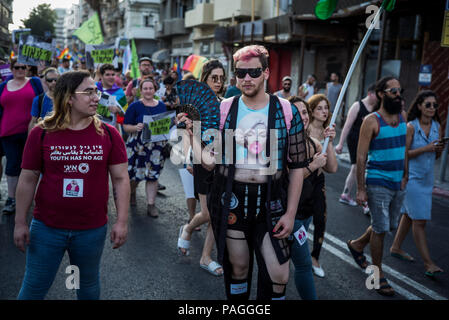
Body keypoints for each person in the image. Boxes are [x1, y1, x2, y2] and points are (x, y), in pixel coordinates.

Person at [178, 45, 307, 300]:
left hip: (272, 201)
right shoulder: (224, 110)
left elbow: (298, 166)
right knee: (238, 268)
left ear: (266, 72)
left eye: (254, 72)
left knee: (279, 274)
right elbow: (210, 163)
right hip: (232, 200)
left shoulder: (286, 110)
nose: (247, 79)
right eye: (240, 73)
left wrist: (291, 214)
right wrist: (191, 135)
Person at [13, 70, 129, 300]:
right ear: (68, 98)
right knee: (34, 287)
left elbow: (120, 179)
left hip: (91, 229)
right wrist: (19, 222)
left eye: (96, 91)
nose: (96, 97)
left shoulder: (109, 133)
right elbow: (27, 179)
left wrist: (122, 222)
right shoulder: (41, 133)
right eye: (88, 92)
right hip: (47, 228)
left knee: (86, 285)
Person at [347, 76, 408, 297]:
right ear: (381, 94)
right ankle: (377, 275)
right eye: (393, 91)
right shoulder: (371, 120)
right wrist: (361, 188)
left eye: (399, 90)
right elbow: (361, 157)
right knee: (381, 229)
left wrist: (405, 176)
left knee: (386, 225)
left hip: (397, 182)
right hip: (377, 181)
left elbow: (405, 149)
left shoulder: (403, 116)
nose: (398, 94)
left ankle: (356, 245)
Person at [177, 59, 226, 277]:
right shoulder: (194, 106)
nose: (218, 81)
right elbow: (186, 135)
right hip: (201, 161)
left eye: (221, 78)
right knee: (207, 212)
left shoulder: (224, 103)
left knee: (218, 211)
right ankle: (188, 228)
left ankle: (206, 257)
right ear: (205, 78)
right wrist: (188, 159)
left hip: (223, 160)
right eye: (214, 77)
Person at [389, 90, 445, 278]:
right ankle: (429, 263)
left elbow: (435, 155)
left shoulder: (437, 126)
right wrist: (427, 148)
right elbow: (404, 154)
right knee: (419, 221)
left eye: (434, 105)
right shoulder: (411, 126)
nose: (431, 108)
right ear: (419, 106)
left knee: (409, 215)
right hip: (411, 178)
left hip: (427, 179)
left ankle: (396, 247)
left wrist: (438, 150)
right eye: (428, 104)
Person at [288, 96, 337, 299]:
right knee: (304, 264)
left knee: (287, 261)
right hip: (291, 214)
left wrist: (329, 142)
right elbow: (287, 180)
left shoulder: (313, 142)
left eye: (305, 112)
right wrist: (312, 167)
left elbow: (332, 167)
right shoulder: (285, 143)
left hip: (307, 210)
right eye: (298, 112)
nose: (304, 116)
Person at [0, 58, 44, 214]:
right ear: (11, 69)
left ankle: (31, 198)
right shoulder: (3, 86)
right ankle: (12, 199)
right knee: (12, 165)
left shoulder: (35, 82)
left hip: (31, 131)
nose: (20, 70)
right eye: (17, 67)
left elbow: (43, 100)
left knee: (31, 165)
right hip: (8, 132)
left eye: (23, 67)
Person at [123, 78, 167, 217]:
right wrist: (135, 127)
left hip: (155, 147)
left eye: (151, 88)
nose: (148, 91)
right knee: (134, 175)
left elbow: (165, 125)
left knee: (152, 176)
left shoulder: (161, 105)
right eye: (145, 89)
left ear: (155, 90)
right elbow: (125, 127)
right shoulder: (134, 106)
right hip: (137, 145)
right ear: (141, 91)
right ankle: (132, 192)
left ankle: (151, 205)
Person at [305, 93, 338, 278]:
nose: (324, 111)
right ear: (311, 110)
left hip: (318, 182)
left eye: (326, 108)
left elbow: (331, 168)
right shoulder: (305, 129)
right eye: (320, 108)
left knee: (320, 219)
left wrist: (330, 142)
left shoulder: (328, 132)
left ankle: (315, 257)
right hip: (302, 180)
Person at [335, 84, 377, 214]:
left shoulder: (377, 107)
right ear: (370, 94)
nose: (378, 98)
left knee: (357, 168)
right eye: (376, 95)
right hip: (355, 140)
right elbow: (347, 126)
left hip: (369, 141)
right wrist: (340, 144)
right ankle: (364, 202)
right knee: (359, 167)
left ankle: (346, 195)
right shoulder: (357, 106)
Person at [96, 64, 128, 130]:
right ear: (101, 76)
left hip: (109, 129)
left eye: (113, 75)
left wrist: (118, 110)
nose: (111, 77)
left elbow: (125, 113)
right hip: (93, 127)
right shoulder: (95, 87)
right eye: (107, 75)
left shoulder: (119, 92)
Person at [28, 68, 60, 132]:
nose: (53, 82)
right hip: (45, 136)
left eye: (56, 80)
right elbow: (33, 122)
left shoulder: (67, 98)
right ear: (45, 82)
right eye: (50, 80)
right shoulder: (38, 100)